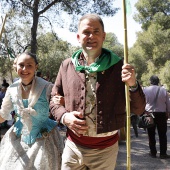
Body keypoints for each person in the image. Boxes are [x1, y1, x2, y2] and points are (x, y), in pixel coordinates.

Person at [50, 13, 146, 170]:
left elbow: (139, 109)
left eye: (96, 32)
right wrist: (64, 116)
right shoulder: (67, 66)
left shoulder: (119, 67)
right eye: (86, 32)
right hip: (73, 147)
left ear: (103, 36)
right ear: (78, 36)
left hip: (105, 151)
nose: (91, 36)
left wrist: (133, 84)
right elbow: (53, 100)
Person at [0, 52, 63, 170]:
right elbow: (3, 115)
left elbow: (57, 108)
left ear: (36, 67)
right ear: (16, 67)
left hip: (44, 139)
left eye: (29, 65)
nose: (25, 69)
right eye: (21, 65)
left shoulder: (47, 87)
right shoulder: (11, 89)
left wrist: (62, 102)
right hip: (18, 137)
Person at [143, 75, 170, 159]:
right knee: (162, 134)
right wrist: (168, 112)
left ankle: (153, 152)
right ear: (158, 81)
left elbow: (142, 102)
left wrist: (143, 112)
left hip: (149, 114)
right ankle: (163, 153)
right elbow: (168, 103)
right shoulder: (163, 90)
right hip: (161, 114)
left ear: (150, 81)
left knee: (151, 134)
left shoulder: (145, 90)